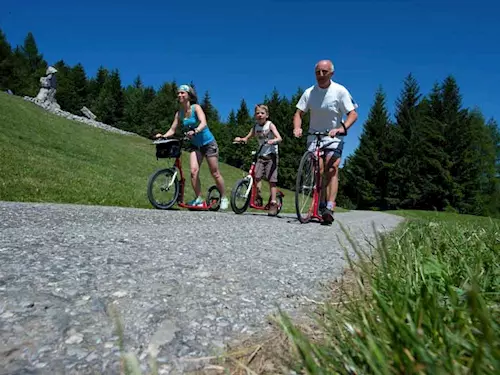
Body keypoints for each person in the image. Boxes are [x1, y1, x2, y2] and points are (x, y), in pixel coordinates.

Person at [293, 59, 358, 224]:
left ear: (331, 73)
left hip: (333, 137)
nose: (320, 75)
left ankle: (329, 206)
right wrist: (297, 128)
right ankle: (318, 203)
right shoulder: (309, 92)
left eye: (324, 72)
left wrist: (342, 128)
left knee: (332, 168)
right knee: (318, 170)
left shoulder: (339, 91)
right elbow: (298, 113)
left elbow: (353, 114)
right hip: (314, 136)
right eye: (318, 72)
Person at [155, 84, 229, 210]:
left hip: (209, 143)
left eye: (182, 93)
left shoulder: (196, 108)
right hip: (196, 145)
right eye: (178, 93)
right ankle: (199, 198)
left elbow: (203, 123)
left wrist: (195, 130)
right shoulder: (179, 113)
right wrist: (163, 136)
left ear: (189, 95)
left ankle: (224, 197)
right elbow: (172, 129)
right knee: (194, 172)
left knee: (215, 173)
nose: (179, 95)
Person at [234, 104, 283, 216]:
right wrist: (241, 139)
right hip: (260, 155)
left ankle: (273, 203)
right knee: (256, 177)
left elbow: (279, 137)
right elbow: (248, 137)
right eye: (257, 113)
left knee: (272, 180)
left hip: (271, 155)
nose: (260, 115)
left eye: (262, 113)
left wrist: (273, 141)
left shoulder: (270, 125)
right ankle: (258, 197)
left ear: (267, 115)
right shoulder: (255, 127)